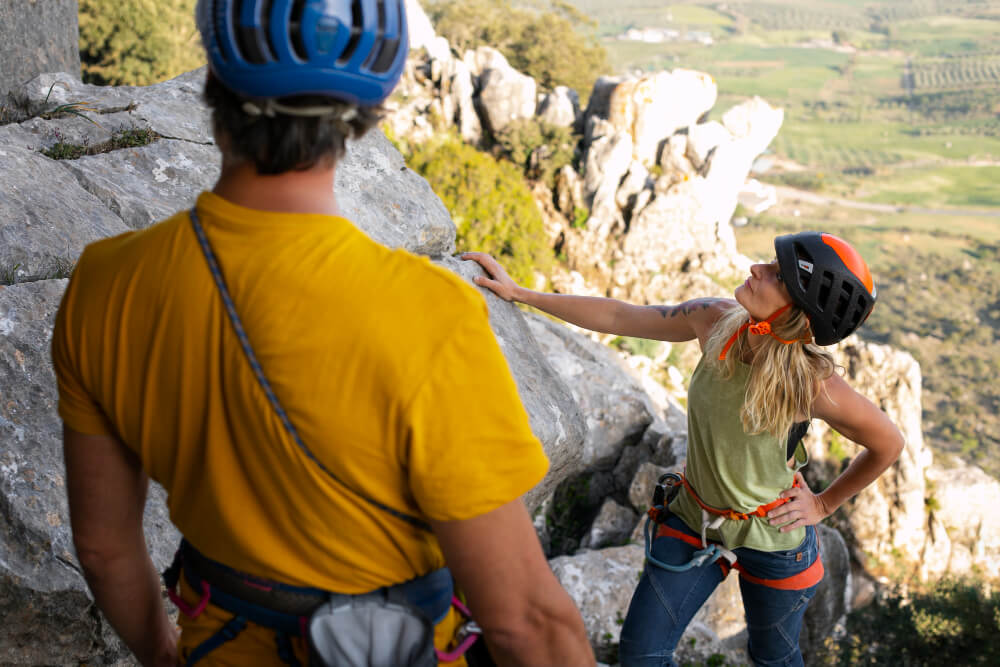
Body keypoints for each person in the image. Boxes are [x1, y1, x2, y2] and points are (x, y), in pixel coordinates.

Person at [52, 1, 594, 665]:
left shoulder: (106, 284)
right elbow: (528, 623)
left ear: (214, 81)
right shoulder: (431, 312)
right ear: (367, 113)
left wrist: (170, 655)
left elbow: (104, 549)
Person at [463, 231, 905, 667]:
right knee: (641, 656)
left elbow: (887, 443)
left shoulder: (810, 384)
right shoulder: (715, 321)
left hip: (775, 540)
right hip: (696, 518)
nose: (756, 268)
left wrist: (824, 504)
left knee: (772, 658)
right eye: (770, 263)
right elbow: (620, 316)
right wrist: (522, 294)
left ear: (800, 317)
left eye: (777, 276)